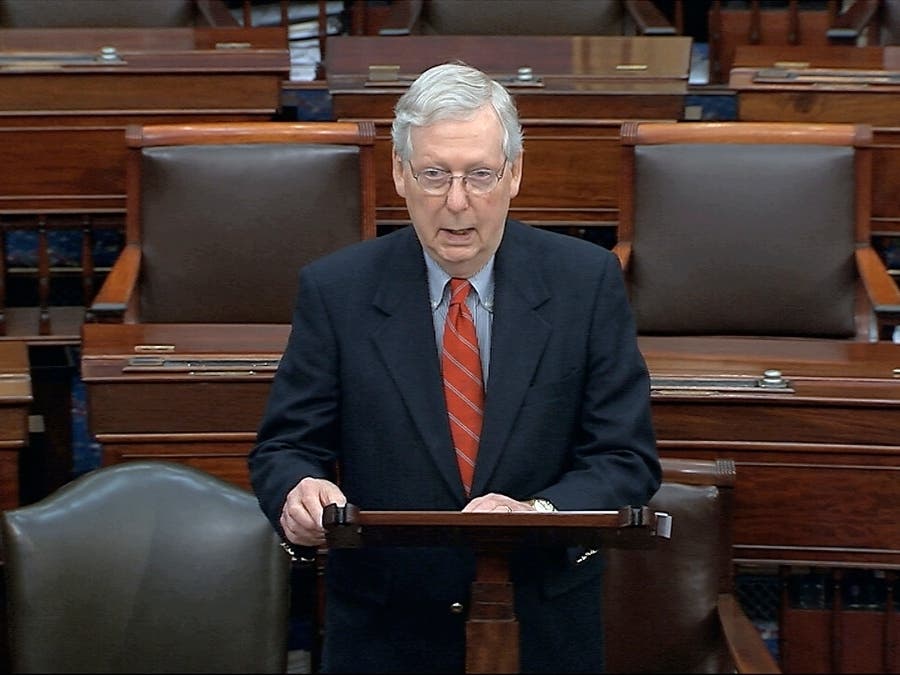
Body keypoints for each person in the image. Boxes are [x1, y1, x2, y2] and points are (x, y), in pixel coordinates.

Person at [249, 61, 660, 674]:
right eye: (435, 174)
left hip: (540, 625)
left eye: (480, 175)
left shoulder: (586, 282)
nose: (457, 203)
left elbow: (626, 459)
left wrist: (538, 515)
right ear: (399, 175)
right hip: (387, 632)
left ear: (515, 174)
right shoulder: (337, 291)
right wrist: (298, 493)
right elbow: (284, 449)